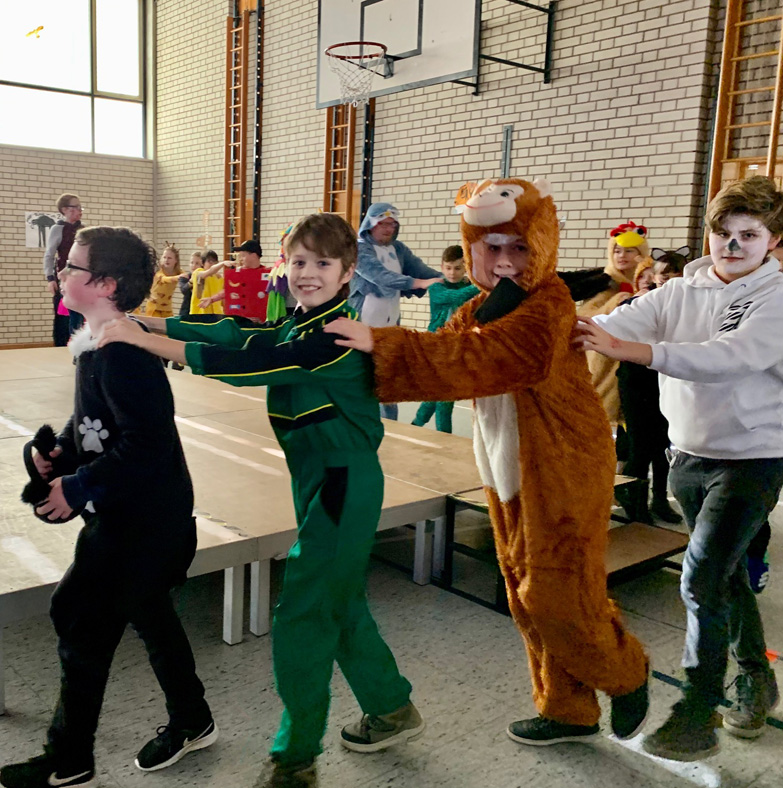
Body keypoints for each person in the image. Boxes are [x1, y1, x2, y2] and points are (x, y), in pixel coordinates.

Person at [99, 213, 420, 788]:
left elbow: (250, 364)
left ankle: (295, 756)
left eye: (322, 263)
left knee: (302, 613)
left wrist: (146, 341)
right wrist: (152, 320)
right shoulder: (298, 322)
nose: (307, 272)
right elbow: (239, 334)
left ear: (348, 272)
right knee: (340, 603)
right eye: (298, 261)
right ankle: (392, 706)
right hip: (316, 480)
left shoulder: (335, 336)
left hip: (343, 485)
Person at [326, 178, 649, 749]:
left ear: (542, 246)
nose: (503, 261)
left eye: (519, 248)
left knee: (555, 593)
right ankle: (568, 710)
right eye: (490, 247)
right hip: (509, 466)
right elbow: (447, 346)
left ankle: (626, 673)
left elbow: (482, 357)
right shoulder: (486, 304)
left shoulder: (547, 304)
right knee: (524, 591)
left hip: (562, 466)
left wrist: (381, 343)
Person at [574, 175, 783, 760]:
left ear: (773, 240)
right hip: (687, 456)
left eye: (749, 235)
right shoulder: (677, 293)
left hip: (753, 459)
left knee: (699, 578)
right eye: (723, 233)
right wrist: (558, 329)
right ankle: (758, 678)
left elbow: (730, 358)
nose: (732, 245)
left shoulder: (776, 296)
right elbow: (612, 326)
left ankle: (697, 711)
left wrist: (635, 352)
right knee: (724, 576)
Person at [0, 227, 216, 788]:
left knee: (79, 615)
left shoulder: (124, 355)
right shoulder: (95, 345)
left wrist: (76, 488)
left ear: (106, 284)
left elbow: (145, 446)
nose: (61, 272)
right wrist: (59, 452)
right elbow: (95, 424)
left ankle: (69, 758)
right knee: (149, 613)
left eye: (72, 266)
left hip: (143, 524)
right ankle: (193, 718)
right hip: (135, 515)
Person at [349, 202, 442, 419]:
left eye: (392, 224)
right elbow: (379, 275)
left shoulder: (399, 249)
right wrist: (417, 283)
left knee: (389, 378)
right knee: (361, 377)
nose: (389, 229)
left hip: (390, 323)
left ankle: (390, 424)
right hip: (362, 322)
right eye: (383, 224)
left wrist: (448, 280)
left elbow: (421, 270)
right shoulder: (358, 249)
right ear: (371, 224)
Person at [613, 261, 682, 524]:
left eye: (673, 273)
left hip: (667, 381)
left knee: (663, 446)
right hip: (636, 382)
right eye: (662, 273)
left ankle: (660, 500)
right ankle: (636, 502)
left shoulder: (682, 304)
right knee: (640, 447)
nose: (666, 278)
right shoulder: (638, 303)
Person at [577, 221, 652, 428]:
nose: (621, 256)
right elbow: (584, 316)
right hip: (603, 363)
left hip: (636, 363)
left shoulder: (648, 282)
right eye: (617, 251)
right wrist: (615, 303)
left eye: (629, 251)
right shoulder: (603, 283)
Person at [411, 245, 479, 433]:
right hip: (437, 347)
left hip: (458, 347)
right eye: (448, 268)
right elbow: (456, 296)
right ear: (441, 267)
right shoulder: (436, 287)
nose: (452, 273)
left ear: (465, 267)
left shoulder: (467, 285)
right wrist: (482, 283)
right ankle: (445, 437)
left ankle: (416, 425)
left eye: (457, 268)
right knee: (445, 396)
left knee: (437, 393)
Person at [43, 193, 84, 345]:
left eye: (80, 207)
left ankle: (81, 345)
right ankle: (61, 345)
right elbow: (49, 255)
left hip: (82, 279)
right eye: (76, 207)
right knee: (63, 315)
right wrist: (50, 278)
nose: (80, 210)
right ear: (65, 209)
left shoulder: (84, 229)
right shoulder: (58, 229)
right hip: (64, 278)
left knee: (80, 315)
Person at [141, 242, 184, 318]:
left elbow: (187, 277)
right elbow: (164, 279)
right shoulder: (159, 271)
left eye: (169, 258)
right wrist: (178, 277)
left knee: (169, 324)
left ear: (176, 260)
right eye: (164, 257)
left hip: (167, 307)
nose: (166, 260)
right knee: (155, 324)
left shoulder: (178, 271)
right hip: (154, 306)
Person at [190, 249, 224, 315]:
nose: (213, 264)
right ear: (202, 263)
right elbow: (210, 271)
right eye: (209, 262)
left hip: (217, 315)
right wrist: (223, 263)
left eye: (215, 262)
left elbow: (222, 300)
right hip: (199, 314)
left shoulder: (220, 279)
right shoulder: (198, 272)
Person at [178, 251, 204, 318]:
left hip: (201, 310)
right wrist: (192, 281)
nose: (193, 266)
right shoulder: (185, 277)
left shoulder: (205, 277)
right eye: (192, 263)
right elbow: (184, 290)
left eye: (197, 263)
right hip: (187, 311)